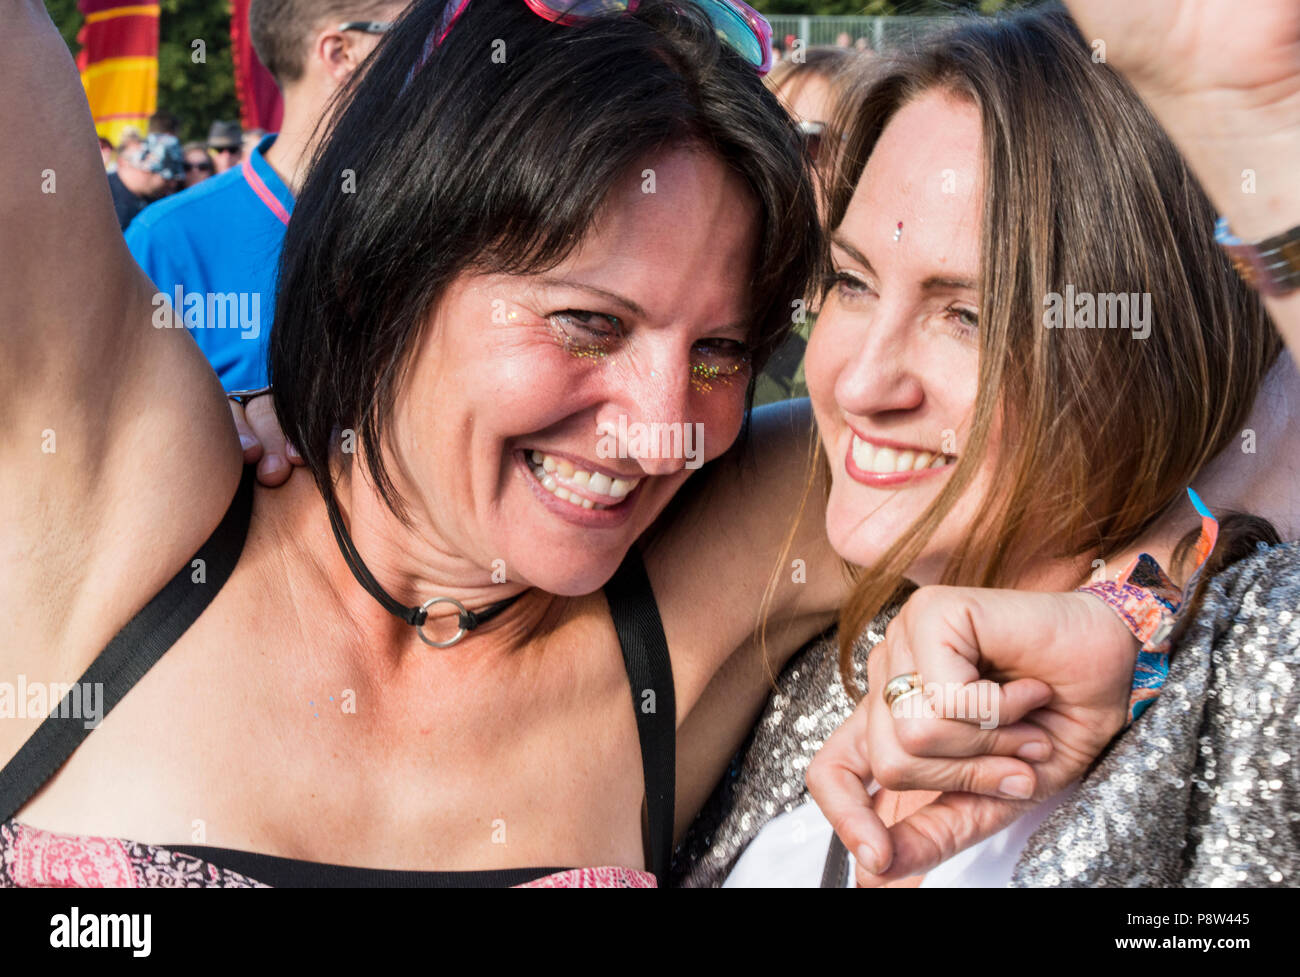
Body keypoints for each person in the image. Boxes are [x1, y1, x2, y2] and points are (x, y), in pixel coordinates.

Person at [3, 0, 1179, 891]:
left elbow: (1150, 441)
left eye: (722, 350)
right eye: (588, 323)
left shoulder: (727, 549)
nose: (663, 423)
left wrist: (1125, 619)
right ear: (381, 272)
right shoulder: (114, 489)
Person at [679, 3, 1300, 888]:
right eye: (851, 282)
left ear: (1151, 350)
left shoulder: (1257, 670)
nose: (857, 383)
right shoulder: (819, 658)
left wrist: (1140, 617)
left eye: (968, 314)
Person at [125, 0, 406, 394]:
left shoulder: (442, 221)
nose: (439, 61)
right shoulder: (167, 240)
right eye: (417, 38)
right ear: (341, 54)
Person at [755, 45, 857, 406]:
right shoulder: (717, 305)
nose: (776, 158)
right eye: (764, 134)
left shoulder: (876, 338)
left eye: (807, 140)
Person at [106, 132, 184, 229]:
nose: (172, 184)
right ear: (146, 169)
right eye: (167, 179)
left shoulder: (153, 199)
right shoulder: (103, 194)